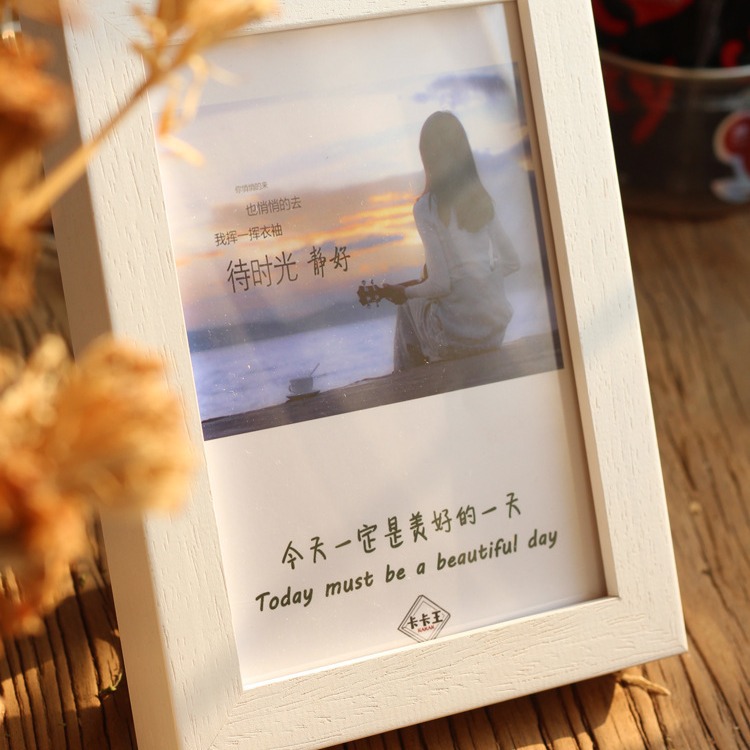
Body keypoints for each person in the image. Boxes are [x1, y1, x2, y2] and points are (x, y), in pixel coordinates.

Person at [379, 111, 520, 371]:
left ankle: (407, 380)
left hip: (456, 339)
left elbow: (441, 284)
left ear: (428, 156)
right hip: (492, 333)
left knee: (407, 306)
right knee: (419, 302)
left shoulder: (426, 207)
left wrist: (404, 293)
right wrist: (482, 280)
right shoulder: (481, 201)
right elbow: (512, 262)